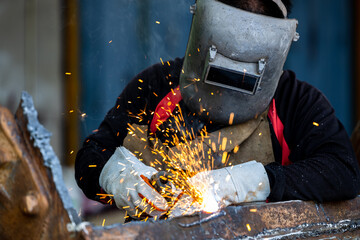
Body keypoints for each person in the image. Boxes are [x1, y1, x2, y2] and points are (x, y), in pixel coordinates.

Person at [75, 0, 360, 220]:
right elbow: (91, 156)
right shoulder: (157, 84)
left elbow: (343, 172)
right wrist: (118, 175)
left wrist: (245, 181)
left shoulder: (295, 100)